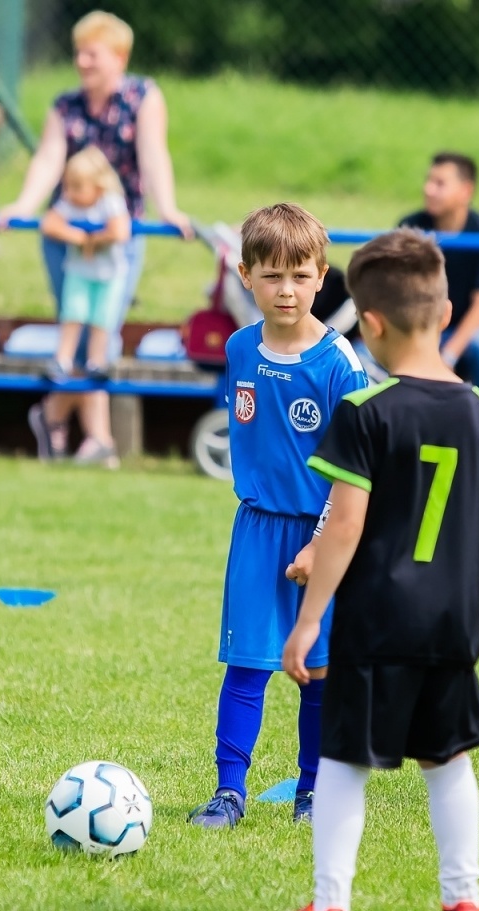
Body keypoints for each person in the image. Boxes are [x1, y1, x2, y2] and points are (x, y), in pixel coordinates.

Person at [280, 228, 479, 911]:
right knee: (447, 762)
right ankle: (464, 899)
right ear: (446, 312)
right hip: (451, 624)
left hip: (377, 622)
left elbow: (344, 526)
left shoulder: (366, 413)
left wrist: (309, 618)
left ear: (371, 323)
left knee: (345, 760)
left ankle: (329, 904)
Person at [186, 203, 370, 831]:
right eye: (271, 276)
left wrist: (322, 542)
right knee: (247, 664)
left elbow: (354, 471)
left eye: (299, 275)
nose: (285, 290)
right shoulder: (240, 349)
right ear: (245, 276)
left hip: (325, 529)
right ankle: (229, 792)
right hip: (258, 530)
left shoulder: (339, 364)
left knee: (316, 671)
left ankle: (313, 793)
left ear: (322, 277)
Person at [0, 10, 189, 464]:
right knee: (78, 325)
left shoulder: (143, 97)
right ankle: (95, 438)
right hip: (68, 234)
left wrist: (168, 209)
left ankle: (56, 416)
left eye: (92, 54)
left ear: (119, 57)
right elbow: (48, 160)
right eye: (79, 53)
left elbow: (153, 155)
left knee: (104, 326)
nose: (82, 62)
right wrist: (23, 205)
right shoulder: (65, 106)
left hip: (119, 234)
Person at [38, 146, 130, 468]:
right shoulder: (69, 202)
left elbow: (120, 230)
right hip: (79, 273)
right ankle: (61, 360)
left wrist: (97, 238)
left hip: (108, 278)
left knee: (101, 322)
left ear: (99, 186)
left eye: (78, 188)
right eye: (69, 187)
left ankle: (95, 361)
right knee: (73, 316)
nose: (71, 194)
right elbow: (49, 223)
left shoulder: (110, 202)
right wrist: (77, 236)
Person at [397, 152, 479, 402]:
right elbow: (400, 293)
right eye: (428, 181)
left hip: (467, 329)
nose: (428, 189)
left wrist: (449, 354)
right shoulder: (411, 228)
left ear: (466, 190)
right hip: (422, 325)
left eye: (440, 183)